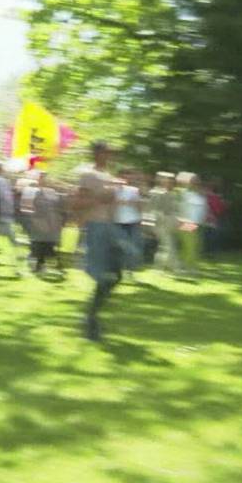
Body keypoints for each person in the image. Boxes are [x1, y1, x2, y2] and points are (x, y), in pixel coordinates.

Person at [76, 142, 121, 341]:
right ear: (96, 153)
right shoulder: (88, 175)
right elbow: (77, 203)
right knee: (105, 276)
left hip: (111, 228)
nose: (109, 156)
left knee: (115, 275)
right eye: (105, 152)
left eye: (110, 153)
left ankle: (90, 317)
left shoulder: (109, 176)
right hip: (95, 227)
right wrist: (100, 198)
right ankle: (91, 321)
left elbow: (112, 203)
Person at [30, 172, 63, 274]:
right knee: (41, 243)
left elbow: (56, 206)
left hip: (50, 220)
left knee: (47, 243)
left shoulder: (52, 192)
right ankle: (39, 265)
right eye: (42, 179)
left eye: (44, 179)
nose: (43, 181)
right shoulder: (38, 192)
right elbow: (35, 206)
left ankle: (43, 264)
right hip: (41, 220)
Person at [176, 172, 207, 279]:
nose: (196, 182)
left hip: (198, 223)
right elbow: (178, 208)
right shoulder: (182, 193)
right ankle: (189, 268)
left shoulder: (200, 194)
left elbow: (203, 209)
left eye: (197, 180)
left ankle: (185, 267)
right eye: (193, 180)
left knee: (194, 246)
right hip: (187, 222)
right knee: (190, 246)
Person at [114, 170, 144, 278]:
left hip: (132, 222)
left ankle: (129, 271)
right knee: (119, 247)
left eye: (124, 177)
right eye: (120, 177)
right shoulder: (111, 191)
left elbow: (139, 205)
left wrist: (141, 218)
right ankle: (118, 269)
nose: (122, 180)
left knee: (132, 247)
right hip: (117, 222)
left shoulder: (133, 190)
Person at [151, 172, 180, 273]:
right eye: (168, 180)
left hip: (171, 222)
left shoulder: (172, 194)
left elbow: (175, 209)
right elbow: (153, 209)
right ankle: (174, 267)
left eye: (171, 181)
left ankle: (159, 268)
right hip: (160, 223)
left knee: (165, 246)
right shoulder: (156, 192)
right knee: (168, 245)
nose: (170, 183)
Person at [203, 178, 227, 258]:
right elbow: (220, 208)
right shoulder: (211, 196)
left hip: (212, 219)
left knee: (212, 236)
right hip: (207, 218)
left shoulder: (215, 197)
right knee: (209, 236)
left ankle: (211, 252)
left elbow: (220, 209)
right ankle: (209, 252)